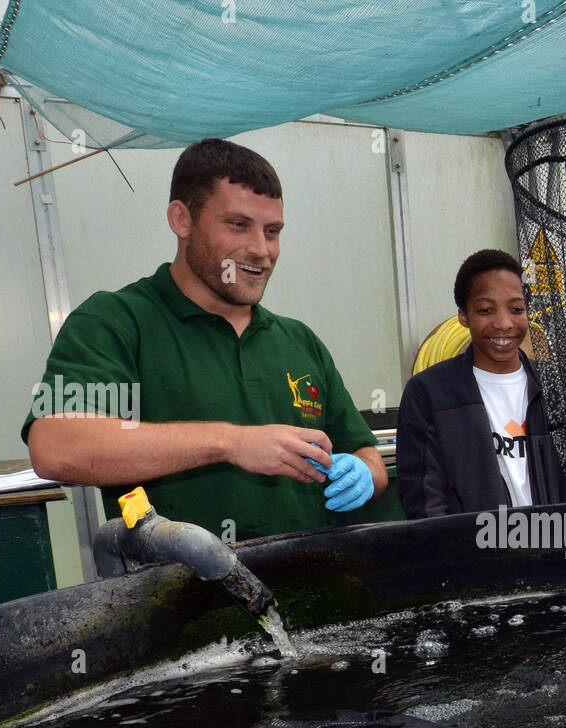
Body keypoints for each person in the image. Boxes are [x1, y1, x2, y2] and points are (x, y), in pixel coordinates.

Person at [24, 138, 386, 541]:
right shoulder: (115, 322)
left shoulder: (299, 340)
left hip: (308, 588)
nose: (261, 250)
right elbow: (57, 447)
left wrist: (365, 473)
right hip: (174, 592)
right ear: (181, 219)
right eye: (237, 225)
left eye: (272, 231)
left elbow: (365, 452)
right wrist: (229, 443)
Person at [395, 249, 566, 518]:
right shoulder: (428, 393)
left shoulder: (557, 387)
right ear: (464, 316)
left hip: (554, 549)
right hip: (477, 555)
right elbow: (426, 504)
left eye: (516, 309)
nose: (503, 323)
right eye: (486, 310)